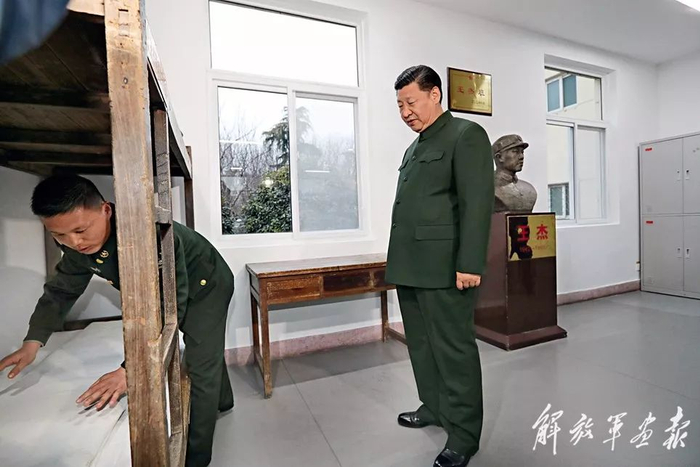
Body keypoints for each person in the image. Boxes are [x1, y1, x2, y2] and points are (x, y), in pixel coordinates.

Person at [0, 175, 234, 467]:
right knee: (208, 350)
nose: (73, 242)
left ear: (106, 210)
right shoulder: (76, 248)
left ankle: (196, 458)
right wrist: (32, 341)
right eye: (59, 235)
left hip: (207, 284)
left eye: (80, 230)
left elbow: (169, 305)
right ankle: (225, 400)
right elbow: (61, 291)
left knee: (200, 365)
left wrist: (130, 369)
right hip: (175, 289)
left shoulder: (149, 236)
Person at [386, 65, 495, 467]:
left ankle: (464, 435)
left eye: (411, 102)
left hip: (447, 269)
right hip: (410, 266)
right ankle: (433, 406)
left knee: (453, 350)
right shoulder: (413, 148)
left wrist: (469, 264)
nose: (405, 112)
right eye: (400, 105)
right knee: (421, 345)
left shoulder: (466, 135)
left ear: (435, 95)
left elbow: (476, 204)